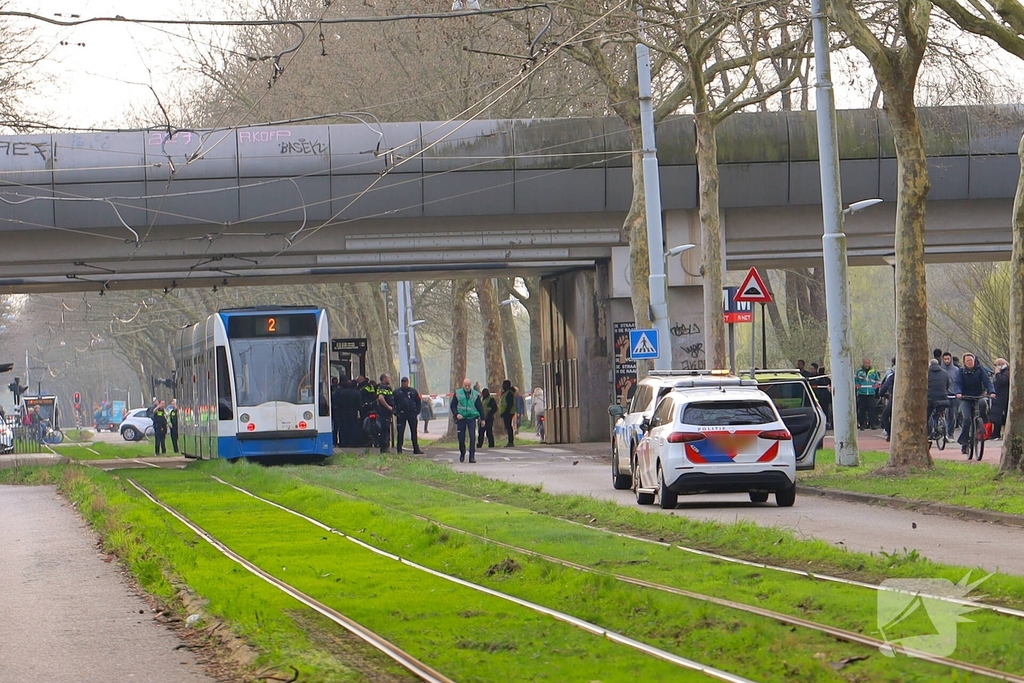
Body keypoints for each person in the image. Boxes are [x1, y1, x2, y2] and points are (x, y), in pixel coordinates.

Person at [952, 352, 995, 458]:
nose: (970, 362)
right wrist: (958, 392)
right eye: (967, 361)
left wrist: (992, 392)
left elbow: (987, 382)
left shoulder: (980, 370)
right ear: (964, 362)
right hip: (966, 398)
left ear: (974, 360)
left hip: (978, 396)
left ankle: (982, 425)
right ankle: (964, 442)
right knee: (966, 419)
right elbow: (957, 383)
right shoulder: (961, 372)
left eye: (971, 360)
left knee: (983, 404)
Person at [450, 378, 483, 463]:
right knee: (461, 438)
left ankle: (472, 456)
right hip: (461, 418)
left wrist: (483, 418)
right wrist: (456, 414)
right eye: (466, 385)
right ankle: (462, 453)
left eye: (469, 386)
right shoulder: (458, 393)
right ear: (463, 385)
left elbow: (480, 407)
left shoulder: (475, 394)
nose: (467, 387)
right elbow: (453, 406)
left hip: (471, 418)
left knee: (472, 437)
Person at [394, 377, 424, 454]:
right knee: (400, 432)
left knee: (413, 432)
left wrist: (417, 411)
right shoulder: (397, 392)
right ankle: (399, 449)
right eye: (403, 382)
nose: (404, 383)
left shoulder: (413, 391)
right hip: (401, 414)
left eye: (405, 382)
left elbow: (418, 401)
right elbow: (393, 403)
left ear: (408, 382)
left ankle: (416, 448)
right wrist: (396, 412)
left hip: (412, 414)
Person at [926, 358, 952, 439]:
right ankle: (942, 428)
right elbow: (948, 384)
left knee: (926, 415)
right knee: (940, 411)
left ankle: (928, 433)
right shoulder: (944, 373)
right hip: (943, 397)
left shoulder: (927, 373)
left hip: (930, 397)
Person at [854, 358, 880, 430]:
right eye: (865, 363)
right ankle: (862, 424)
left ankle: (873, 424)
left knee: (872, 408)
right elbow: (856, 380)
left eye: (868, 363)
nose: (867, 364)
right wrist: (858, 386)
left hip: (871, 393)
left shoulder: (874, 371)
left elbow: (877, 380)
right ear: (863, 363)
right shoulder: (859, 372)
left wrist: (874, 388)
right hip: (862, 393)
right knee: (862, 409)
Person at [337, 379, 363, 448]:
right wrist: (361, 412)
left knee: (344, 427)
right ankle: (352, 443)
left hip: (344, 412)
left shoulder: (343, 392)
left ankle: (344, 442)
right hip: (353, 412)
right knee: (353, 427)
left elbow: (340, 403)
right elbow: (359, 404)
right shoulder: (357, 393)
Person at [940, 352, 960, 436]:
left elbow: (958, 382)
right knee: (944, 414)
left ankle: (950, 433)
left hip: (954, 394)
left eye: (948, 359)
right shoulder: (940, 369)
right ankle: (943, 431)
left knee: (953, 414)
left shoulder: (956, 370)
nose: (947, 361)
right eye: (945, 359)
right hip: (944, 394)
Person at [375, 374, 396, 454]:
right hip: (384, 412)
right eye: (388, 378)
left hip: (385, 412)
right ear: (384, 379)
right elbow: (381, 398)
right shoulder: (383, 387)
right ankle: (384, 448)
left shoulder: (383, 387)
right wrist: (389, 407)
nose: (389, 379)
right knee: (384, 430)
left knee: (386, 429)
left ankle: (385, 447)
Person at [990, 358, 1010, 440]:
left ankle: (997, 434)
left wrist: (998, 373)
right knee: (996, 416)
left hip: (1003, 397)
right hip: (998, 396)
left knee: (1000, 416)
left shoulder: (1006, 372)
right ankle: (995, 433)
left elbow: (1003, 382)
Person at [878, 358, 895, 441]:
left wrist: (885, 395)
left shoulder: (891, 376)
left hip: (894, 400)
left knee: (885, 416)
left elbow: (882, 390)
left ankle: (889, 433)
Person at [499, 379, 516, 447]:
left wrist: (505, 412)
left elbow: (509, 404)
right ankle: (510, 441)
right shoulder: (506, 392)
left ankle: (511, 441)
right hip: (505, 412)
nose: (502, 386)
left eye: (503, 384)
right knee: (507, 427)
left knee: (508, 427)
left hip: (508, 412)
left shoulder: (509, 393)